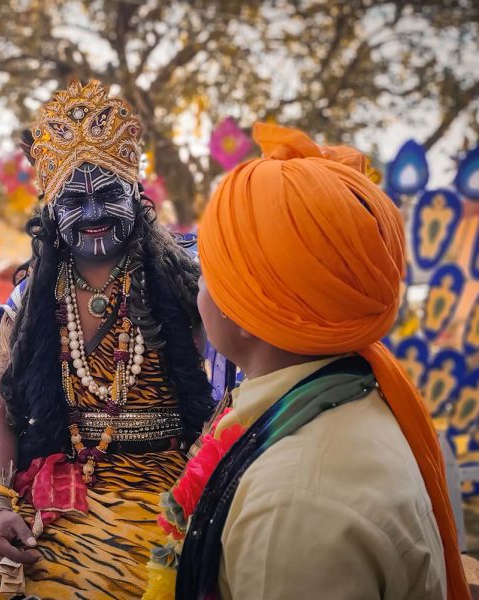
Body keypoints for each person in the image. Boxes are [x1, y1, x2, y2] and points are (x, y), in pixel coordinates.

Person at [145, 123, 467, 599]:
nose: (198, 292)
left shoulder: (293, 502)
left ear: (250, 309)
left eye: (210, 273)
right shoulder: (347, 396)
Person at [0, 80, 213, 599]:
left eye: (109, 195)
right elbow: (1, 408)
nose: (94, 213)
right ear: (50, 210)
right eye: (74, 200)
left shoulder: (183, 283)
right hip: (59, 486)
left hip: (163, 488)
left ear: (135, 194)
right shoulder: (32, 301)